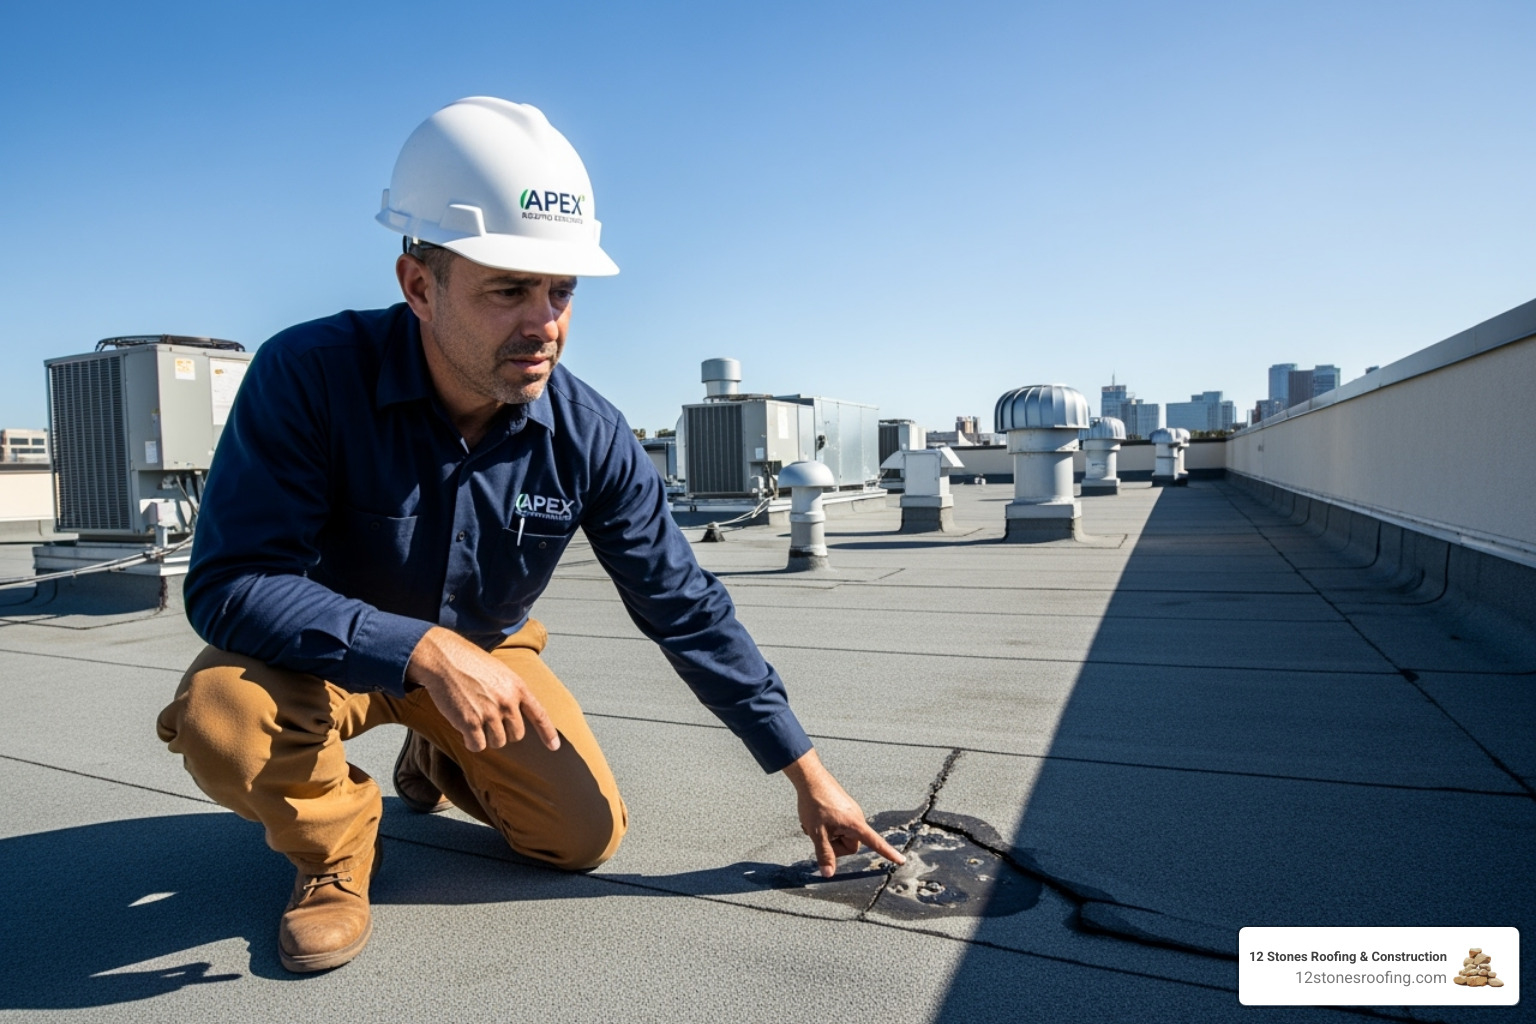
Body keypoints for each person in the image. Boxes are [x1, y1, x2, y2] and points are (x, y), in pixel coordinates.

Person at [155, 96, 903, 974]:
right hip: (317, 663)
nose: (544, 323)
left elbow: (683, 605)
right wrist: (419, 648)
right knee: (222, 719)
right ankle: (336, 850)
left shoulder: (589, 435)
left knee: (580, 838)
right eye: (509, 290)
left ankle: (437, 751)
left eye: (562, 291)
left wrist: (805, 772)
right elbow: (232, 582)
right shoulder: (309, 377)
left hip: (484, 655)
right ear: (419, 286)